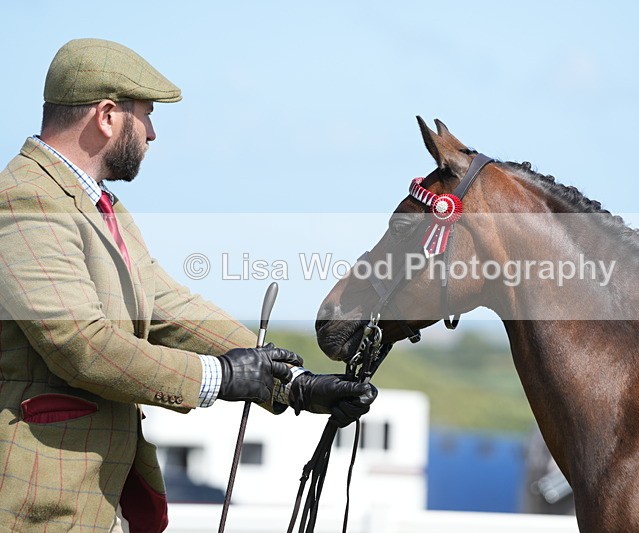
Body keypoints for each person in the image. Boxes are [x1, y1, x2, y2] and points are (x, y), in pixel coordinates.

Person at [0, 38, 376, 532]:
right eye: (146, 115)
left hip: (96, 498)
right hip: (39, 502)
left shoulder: (102, 209)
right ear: (108, 116)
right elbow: (82, 344)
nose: (152, 134)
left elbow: (171, 310)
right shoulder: (25, 200)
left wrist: (295, 385)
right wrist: (217, 377)